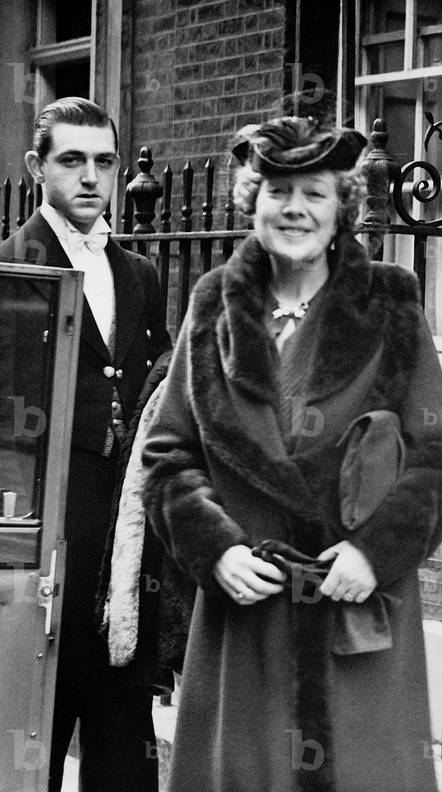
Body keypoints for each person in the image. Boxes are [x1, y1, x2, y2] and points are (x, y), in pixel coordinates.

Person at [141, 116, 442, 792]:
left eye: (315, 193)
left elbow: (438, 456)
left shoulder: (390, 303)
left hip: (354, 615)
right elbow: (168, 455)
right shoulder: (213, 305)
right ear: (252, 200)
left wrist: (373, 553)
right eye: (278, 191)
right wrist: (216, 549)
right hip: (245, 620)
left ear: (341, 207)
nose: (295, 209)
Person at [0, 97, 172, 791]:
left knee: (123, 743)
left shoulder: (139, 275)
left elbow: (156, 393)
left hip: (121, 550)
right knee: (26, 745)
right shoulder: (11, 271)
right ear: (36, 166)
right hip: (40, 539)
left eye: (104, 161)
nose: (91, 177)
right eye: (72, 160)